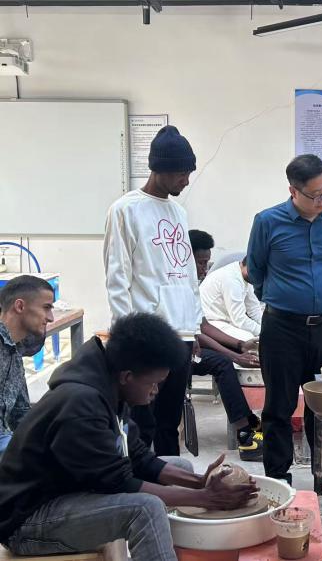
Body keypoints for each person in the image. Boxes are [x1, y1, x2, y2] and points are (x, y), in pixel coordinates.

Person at [0, 313, 257, 561]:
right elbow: (118, 482)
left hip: (66, 491)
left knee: (181, 466)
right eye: (153, 383)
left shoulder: (109, 383)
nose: (155, 391)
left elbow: (139, 458)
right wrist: (204, 497)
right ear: (127, 377)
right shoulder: (81, 405)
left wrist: (199, 482)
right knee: (145, 509)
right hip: (27, 522)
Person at [247, 154, 322, 487]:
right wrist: (286, 299)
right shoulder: (267, 222)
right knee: (279, 406)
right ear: (293, 191)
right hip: (282, 329)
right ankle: (278, 479)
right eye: (315, 194)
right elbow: (256, 271)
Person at [103, 125, 202, 456]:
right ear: (160, 169)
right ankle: (139, 483)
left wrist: (194, 326)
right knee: (142, 423)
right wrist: (126, 336)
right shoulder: (125, 209)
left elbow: (188, 273)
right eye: (181, 173)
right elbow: (117, 277)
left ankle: (171, 483)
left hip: (181, 333)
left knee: (169, 422)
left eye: (189, 173)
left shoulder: (178, 212)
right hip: (147, 336)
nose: (186, 180)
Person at [188, 230, 263, 461]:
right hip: (174, 351)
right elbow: (199, 333)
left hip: (193, 344)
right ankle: (246, 431)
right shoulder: (175, 285)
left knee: (230, 355)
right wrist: (235, 355)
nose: (205, 269)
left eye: (206, 263)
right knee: (223, 361)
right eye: (200, 263)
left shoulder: (192, 285)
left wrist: (240, 346)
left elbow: (203, 327)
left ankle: (249, 424)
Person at [0, 276, 54, 455]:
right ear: (20, 306)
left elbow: (21, 415)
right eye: (46, 308)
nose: (51, 318)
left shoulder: (14, 352)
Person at [200, 255, 263, 341]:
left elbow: (254, 309)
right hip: (211, 322)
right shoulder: (232, 279)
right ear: (248, 266)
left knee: (259, 336)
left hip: (227, 321)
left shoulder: (247, 276)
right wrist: (264, 332)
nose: (257, 278)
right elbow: (239, 319)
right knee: (251, 339)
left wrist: (267, 328)